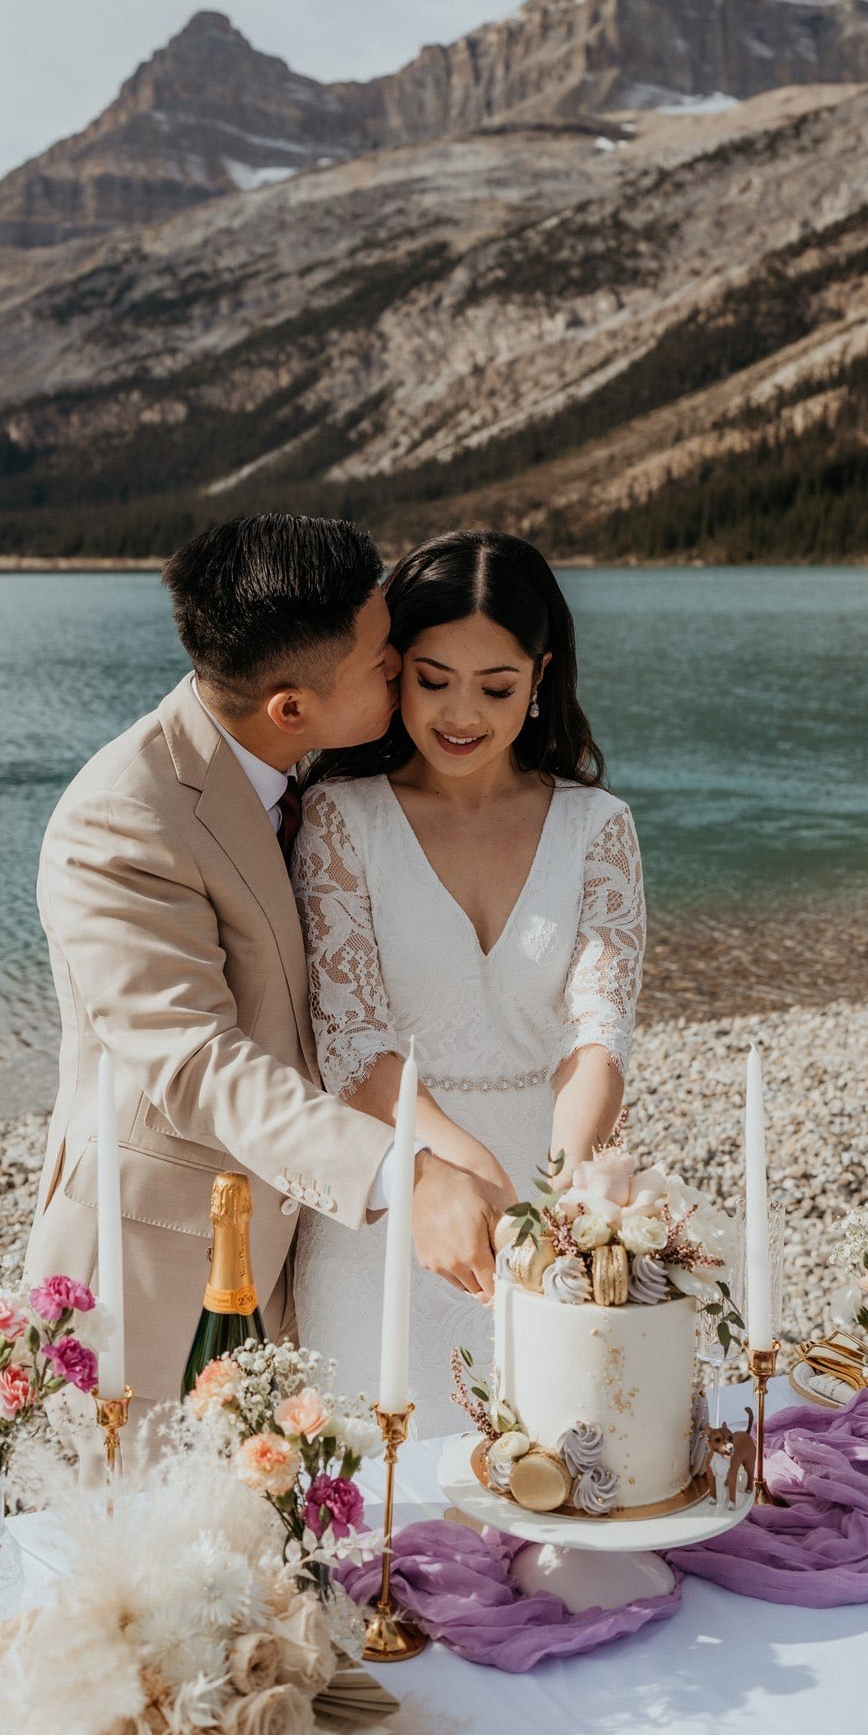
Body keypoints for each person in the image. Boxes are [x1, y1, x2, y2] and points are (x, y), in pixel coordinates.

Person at [25, 513, 507, 1411]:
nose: (400, 662)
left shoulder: (305, 770)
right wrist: (403, 1174)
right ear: (291, 706)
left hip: (296, 1248)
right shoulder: (120, 824)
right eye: (381, 661)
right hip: (151, 1267)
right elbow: (199, 1064)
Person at [291, 529, 646, 1432]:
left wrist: (559, 1196)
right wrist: (471, 1168)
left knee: (558, 1472)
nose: (460, 713)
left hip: (548, 1197)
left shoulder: (595, 826)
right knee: (383, 1504)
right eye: (431, 678)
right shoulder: (342, 818)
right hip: (389, 1200)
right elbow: (354, 1049)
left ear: (541, 676)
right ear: (393, 668)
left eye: (495, 687)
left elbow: (595, 1037)